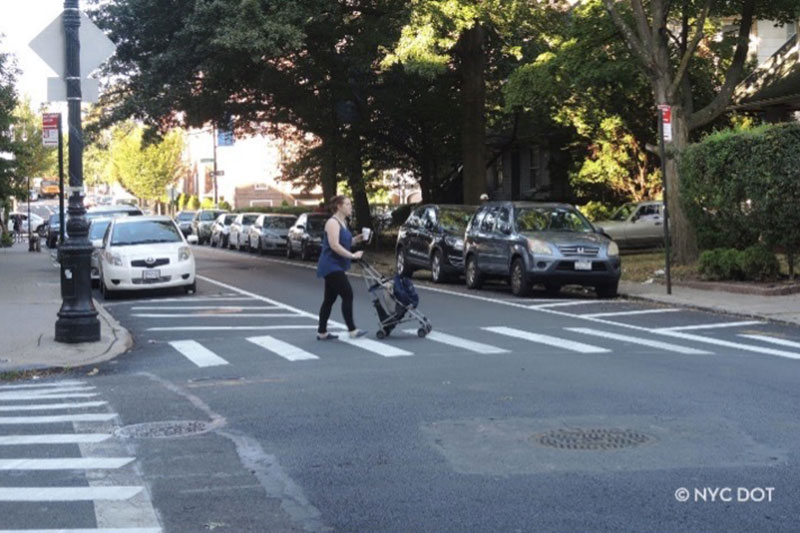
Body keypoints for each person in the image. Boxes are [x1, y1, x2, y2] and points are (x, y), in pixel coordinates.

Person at [316, 195, 368, 340]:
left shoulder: (343, 222)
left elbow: (344, 241)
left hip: (337, 265)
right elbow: (334, 245)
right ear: (339, 206)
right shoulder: (332, 223)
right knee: (347, 293)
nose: (350, 207)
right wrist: (353, 256)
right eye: (347, 204)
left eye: (350, 204)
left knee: (329, 300)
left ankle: (322, 332)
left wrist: (356, 239)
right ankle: (352, 330)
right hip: (330, 265)